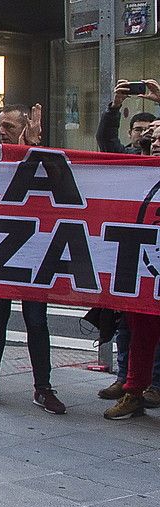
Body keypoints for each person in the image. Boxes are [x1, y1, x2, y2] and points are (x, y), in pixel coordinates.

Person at [0, 104, 66, 415]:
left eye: (9, 126)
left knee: (36, 321)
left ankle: (43, 387)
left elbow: (60, 186)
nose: (1, 131)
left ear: (26, 128)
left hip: (34, 249)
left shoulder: (43, 155)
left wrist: (32, 150)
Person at [95, 80, 160, 405]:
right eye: (150, 134)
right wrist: (114, 107)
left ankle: (152, 386)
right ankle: (128, 382)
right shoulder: (131, 163)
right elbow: (107, 141)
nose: (153, 139)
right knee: (132, 327)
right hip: (137, 263)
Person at [96, 79, 158, 154]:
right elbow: (106, 139)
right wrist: (115, 106)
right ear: (130, 133)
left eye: (150, 129)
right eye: (138, 130)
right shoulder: (125, 157)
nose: (143, 133)